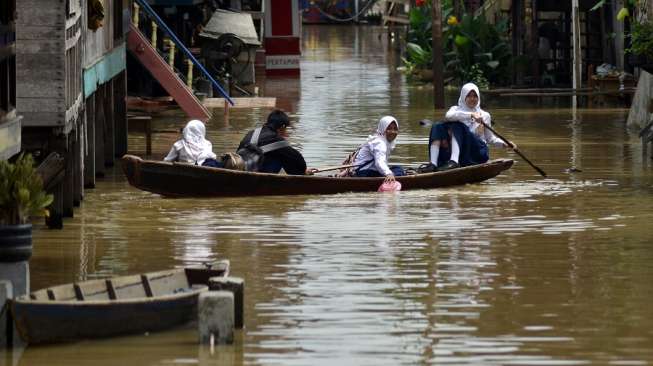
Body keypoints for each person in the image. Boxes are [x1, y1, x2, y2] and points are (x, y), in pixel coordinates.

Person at [422, 83, 514, 172]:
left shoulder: (485, 115)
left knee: (457, 126)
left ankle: (454, 161)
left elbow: (490, 139)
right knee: (437, 126)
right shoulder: (455, 109)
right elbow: (448, 116)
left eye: (475, 96)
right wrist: (471, 115)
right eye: (469, 96)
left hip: (477, 152)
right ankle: (433, 164)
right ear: (463, 97)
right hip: (462, 154)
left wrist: (505, 144)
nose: (472, 99)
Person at [236, 110, 312, 175]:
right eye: (286, 129)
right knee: (283, 156)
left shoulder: (251, 133)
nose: (286, 132)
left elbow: (238, 152)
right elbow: (298, 160)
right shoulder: (277, 140)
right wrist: (303, 171)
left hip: (241, 169)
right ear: (282, 127)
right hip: (256, 175)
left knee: (277, 153)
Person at [352, 116, 405, 182]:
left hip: (364, 171)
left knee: (397, 169)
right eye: (389, 128)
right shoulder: (380, 143)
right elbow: (379, 162)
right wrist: (389, 173)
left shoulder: (381, 139)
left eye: (395, 129)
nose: (393, 132)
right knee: (399, 170)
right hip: (365, 173)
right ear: (383, 129)